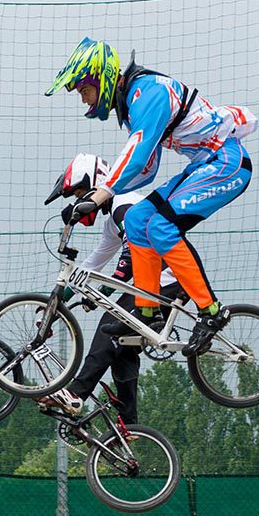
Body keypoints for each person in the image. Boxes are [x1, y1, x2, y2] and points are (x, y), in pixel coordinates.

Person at [45, 38, 259, 357]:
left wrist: (103, 193)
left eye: (83, 90)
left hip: (227, 164)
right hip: (207, 165)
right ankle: (147, 312)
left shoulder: (148, 93)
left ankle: (211, 311)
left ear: (99, 78)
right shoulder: (135, 104)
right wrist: (95, 195)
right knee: (136, 219)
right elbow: (146, 170)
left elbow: (138, 151)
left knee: (161, 227)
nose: (83, 99)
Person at [37, 153, 180, 421]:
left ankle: (76, 394)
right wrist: (56, 305)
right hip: (155, 281)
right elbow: (92, 266)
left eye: (80, 193)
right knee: (123, 343)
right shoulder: (112, 222)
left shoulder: (124, 204)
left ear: (97, 183)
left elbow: (130, 257)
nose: (79, 201)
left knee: (110, 324)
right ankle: (130, 423)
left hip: (167, 279)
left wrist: (104, 294)